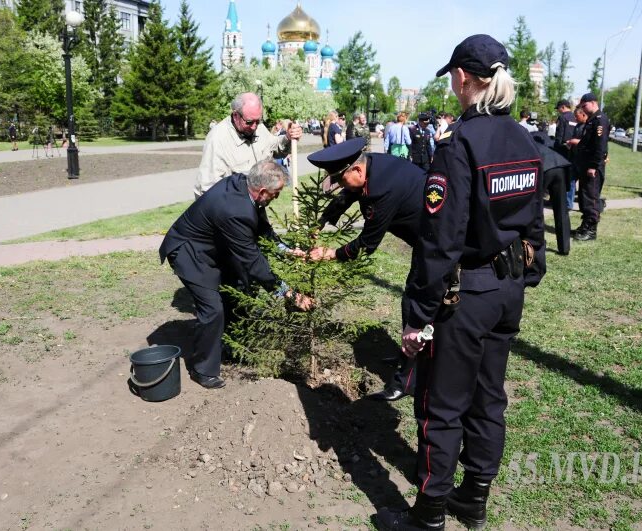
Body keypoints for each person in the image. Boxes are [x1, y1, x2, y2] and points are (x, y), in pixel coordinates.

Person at [375, 34, 545, 531]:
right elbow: (535, 218)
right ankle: (474, 497)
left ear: (465, 78)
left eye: (452, 76)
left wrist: (417, 316)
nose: (451, 83)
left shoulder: (459, 145)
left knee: (441, 405)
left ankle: (428, 515)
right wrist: (525, 274)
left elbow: (439, 241)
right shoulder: (523, 137)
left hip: (466, 295)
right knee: (489, 396)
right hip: (506, 292)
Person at [159, 160, 313, 389]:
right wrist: (288, 293)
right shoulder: (235, 210)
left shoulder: (246, 185)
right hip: (189, 252)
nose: (277, 198)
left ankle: (229, 345)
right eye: (276, 193)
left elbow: (262, 228)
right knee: (212, 308)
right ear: (262, 191)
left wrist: (286, 250)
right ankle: (203, 370)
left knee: (236, 288)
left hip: (214, 247)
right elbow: (254, 262)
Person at [307, 137, 427, 402]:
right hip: (427, 240)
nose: (339, 185)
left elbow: (366, 245)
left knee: (415, 305)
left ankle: (405, 381)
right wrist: (323, 220)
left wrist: (330, 254)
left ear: (357, 170)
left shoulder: (382, 190)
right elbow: (348, 193)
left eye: (339, 179)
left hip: (436, 243)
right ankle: (408, 355)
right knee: (414, 304)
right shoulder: (371, 165)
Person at [194, 92, 302, 198]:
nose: (254, 127)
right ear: (236, 115)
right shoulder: (217, 138)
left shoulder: (258, 126)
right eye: (249, 122)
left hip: (255, 205)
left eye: (258, 121)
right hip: (231, 207)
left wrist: (288, 137)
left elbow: (275, 148)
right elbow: (207, 189)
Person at [572, 92, 610, 241]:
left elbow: (600, 146)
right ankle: (585, 225)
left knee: (591, 199)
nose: (583, 109)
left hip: (592, 167)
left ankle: (591, 230)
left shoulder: (600, 120)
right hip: (585, 164)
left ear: (593, 103)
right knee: (584, 197)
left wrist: (594, 166)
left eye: (584, 105)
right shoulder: (591, 120)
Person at [565, 106, 588, 211]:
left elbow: (587, 143)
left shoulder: (588, 126)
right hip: (574, 157)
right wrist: (570, 143)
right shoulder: (578, 125)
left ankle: (584, 206)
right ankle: (568, 204)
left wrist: (574, 141)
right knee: (571, 181)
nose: (575, 118)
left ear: (583, 114)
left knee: (584, 185)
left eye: (576, 116)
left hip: (583, 159)